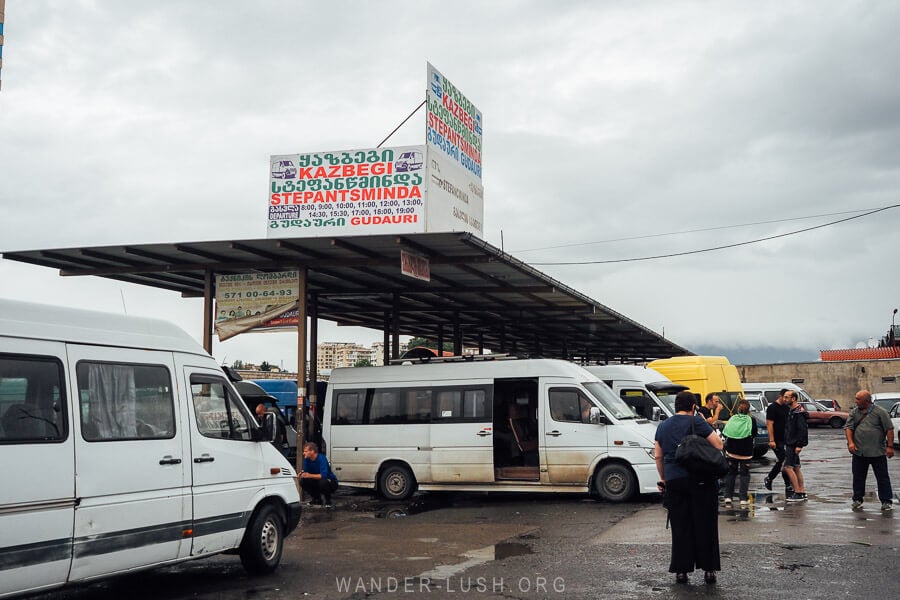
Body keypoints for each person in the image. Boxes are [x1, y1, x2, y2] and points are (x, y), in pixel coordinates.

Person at [654, 390, 724, 585]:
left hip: (675, 480)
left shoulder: (663, 426)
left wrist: (664, 478)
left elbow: (658, 455)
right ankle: (709, 570)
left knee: (680, 526)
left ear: (675, 406)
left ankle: (681, 572)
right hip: (701, 480)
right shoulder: (698, 422)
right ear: (693, 406)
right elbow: (718, 445)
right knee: (706, 525)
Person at [844, 389, 895, 511]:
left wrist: (890, 446)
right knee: (858, 477)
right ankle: (857, 499)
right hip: (859, 452)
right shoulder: (854, 412)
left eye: (858, 399)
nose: (855, 401)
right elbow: (848, 428)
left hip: (877, 452)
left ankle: (886, 501)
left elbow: (889, 429)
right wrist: (851, 443)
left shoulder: (880, 412)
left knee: (882, 477)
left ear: (866, 401)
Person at [722, 399, 755, 506]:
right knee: (744, 475)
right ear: (748, 409)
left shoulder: (732, 419)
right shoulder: (751, 420)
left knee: (731, 474)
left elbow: (726, 432)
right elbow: (754, 433)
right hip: (746, 452)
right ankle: (743, 498)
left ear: (738, 408)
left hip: (732, 451)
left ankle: (728, 496)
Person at [764, 389, 793, 496]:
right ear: (780, 396)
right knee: (783, 460)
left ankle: (774, 480)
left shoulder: (787, 407)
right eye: (784, 397)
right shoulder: (772, 408)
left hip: (786, 438)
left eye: (787, 397)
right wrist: (771, 440)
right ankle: (783, 483)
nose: (786, 400)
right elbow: (769, 424)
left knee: (785, 461)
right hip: (776, 439)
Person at [782, 391, 809, 502]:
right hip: (791, 443)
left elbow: (802, 429)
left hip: (793, 444)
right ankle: (801, 491)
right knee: (796, 467)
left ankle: (797, 492)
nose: (784, 399)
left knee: (788, 468)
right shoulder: (792, 411)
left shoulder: (798, 412)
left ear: (793, 399)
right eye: (784, 397)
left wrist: (799, 444)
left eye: (787, 397)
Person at [300, 442, 339, 507]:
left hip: (330, 482)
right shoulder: (307, 459)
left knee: (323, 482)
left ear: (312, 451)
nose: (304, 453)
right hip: (316, 480)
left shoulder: (321, 458)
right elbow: (305, 471)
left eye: (305, 451)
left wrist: (309, 475)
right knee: (303, 481)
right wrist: (302, 473)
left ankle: (328, 501)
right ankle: (317, 499)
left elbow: (323, 475)